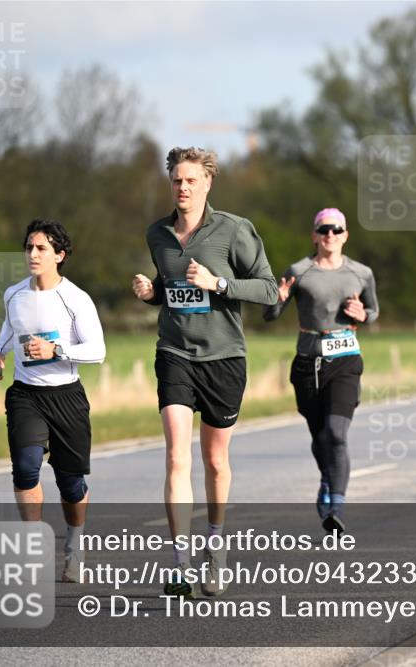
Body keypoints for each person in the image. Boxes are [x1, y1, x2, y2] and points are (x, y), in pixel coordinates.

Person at [132, 147, 278, 597]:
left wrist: (218, 284)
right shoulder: (157, 233)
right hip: (175, 352)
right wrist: (152, 292)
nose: (183, 187)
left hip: (223, 358)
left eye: (191, 180)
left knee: (214, 461)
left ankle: (215, 547)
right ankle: (179, 564)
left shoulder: (233, 230)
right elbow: (171, 288)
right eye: (177, 180)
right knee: (177, 456)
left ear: (207, 183)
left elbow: (269, 290)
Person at [0, 219, 106, 583]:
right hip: (26, 395)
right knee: (26, 468)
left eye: (41, 248)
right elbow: (11, 325)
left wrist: (56, 349)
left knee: (70, 485)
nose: (33, 254)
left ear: (60, 255)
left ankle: (74, 546)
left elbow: (97, 351)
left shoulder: (76, 299)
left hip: (66, 397)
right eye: (29, 247)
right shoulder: (14, 294)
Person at [263, 208, 379, 533]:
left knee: (336, 435)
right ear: (314, 235)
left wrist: (363, 314)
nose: (330, 235)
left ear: (345, 235)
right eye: (323, 229)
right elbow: (271, 315)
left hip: (345, 361)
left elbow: (373, 311)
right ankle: (327, 481)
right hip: (308, 363)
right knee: (319, 438)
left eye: (336, 229)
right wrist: (278, 298)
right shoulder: (299, 271)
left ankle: (335, 505)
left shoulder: (361, 273)